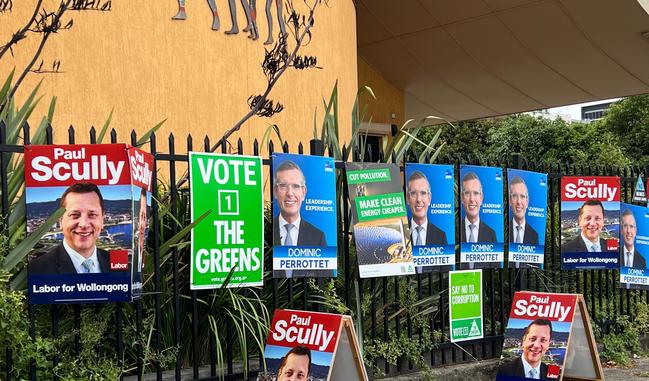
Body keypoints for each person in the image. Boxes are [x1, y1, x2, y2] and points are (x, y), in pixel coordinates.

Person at [29, 182, 109, 275]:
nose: (83, 224)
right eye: (74, 215)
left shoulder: (121, 265)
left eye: (92, 215)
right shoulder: (36, 270)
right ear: (61, 221)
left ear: (102, 220)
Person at [272, 160, 331, 277]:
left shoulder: (318, 237)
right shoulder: (265, 232)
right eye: (283, 186)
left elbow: (325, 284)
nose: (290, 193)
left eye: (295, 186)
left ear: (303, 193)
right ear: (275, 191)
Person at [406, 171, 447, 246]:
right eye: (413, 193)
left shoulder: (441, 236)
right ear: (408, 198)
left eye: (423, 193)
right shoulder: (401, 235)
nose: (418, 199)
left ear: (429, 198)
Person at [460, 172, 497, 243]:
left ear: (481, 198)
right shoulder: (455, 231)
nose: (471, 199)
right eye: (467, 193)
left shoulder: (491, 234)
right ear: (462, 198)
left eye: (476, 193)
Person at [509, 176, 539, 245]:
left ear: (527, 202)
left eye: (522, 196)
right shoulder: (504, 230)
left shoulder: (534, 235)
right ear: (510, 200)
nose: (519, 202)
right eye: (514, 196)